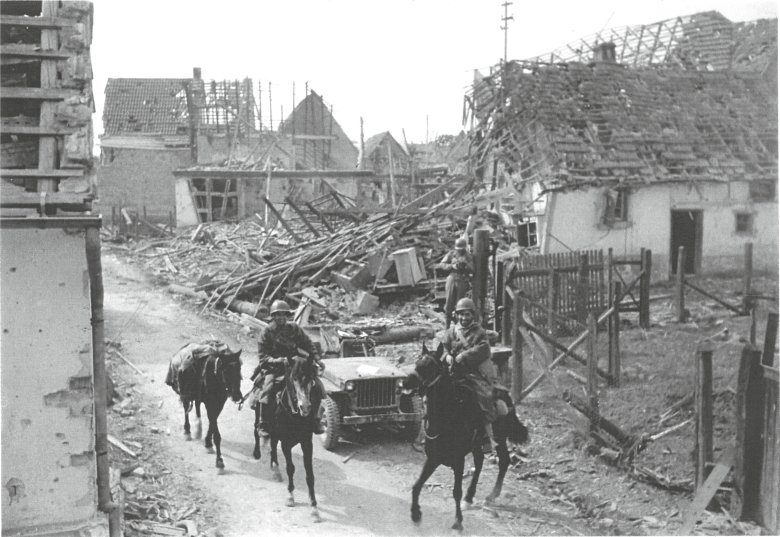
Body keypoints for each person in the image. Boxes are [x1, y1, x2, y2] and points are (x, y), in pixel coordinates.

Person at [253, 299, 326, 435]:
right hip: (275, 367)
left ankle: (315, 420)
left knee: (317, 387)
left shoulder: (294, 328)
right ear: (273, 316)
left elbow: (308, 343)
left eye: (284, 314)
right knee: (268, 389)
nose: (281, 318)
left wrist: (317, 358)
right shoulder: (266, 333)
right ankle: (263, 423)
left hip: (296, 365)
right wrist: (281, 360)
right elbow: (263, 358)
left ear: (287, 316)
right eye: (278, 315)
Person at [442, 297, 498, 454]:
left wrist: (464, 356)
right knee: (437, 392)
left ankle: (488, 437)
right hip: (454, 372)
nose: (463, 318)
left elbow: (484, 349)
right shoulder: (451, 331)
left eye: (467, 314)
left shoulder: (479, 332)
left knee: (483, 396)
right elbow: (444, 347)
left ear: (473, 315)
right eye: (460, 314)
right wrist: (446, 356)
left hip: (473, 373)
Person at [436, 236, 474, 328]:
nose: (460, 251)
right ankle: (447, 326)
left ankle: (459, 327)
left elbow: (473, 269)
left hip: (462, 279)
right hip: (452, 278)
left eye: (462, 249)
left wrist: (465, 266)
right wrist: (452, 266)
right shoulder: (451, 254)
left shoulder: (469, 256)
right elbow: (441, 264)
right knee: (449, 302)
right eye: (458, 249)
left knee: (460, 304)